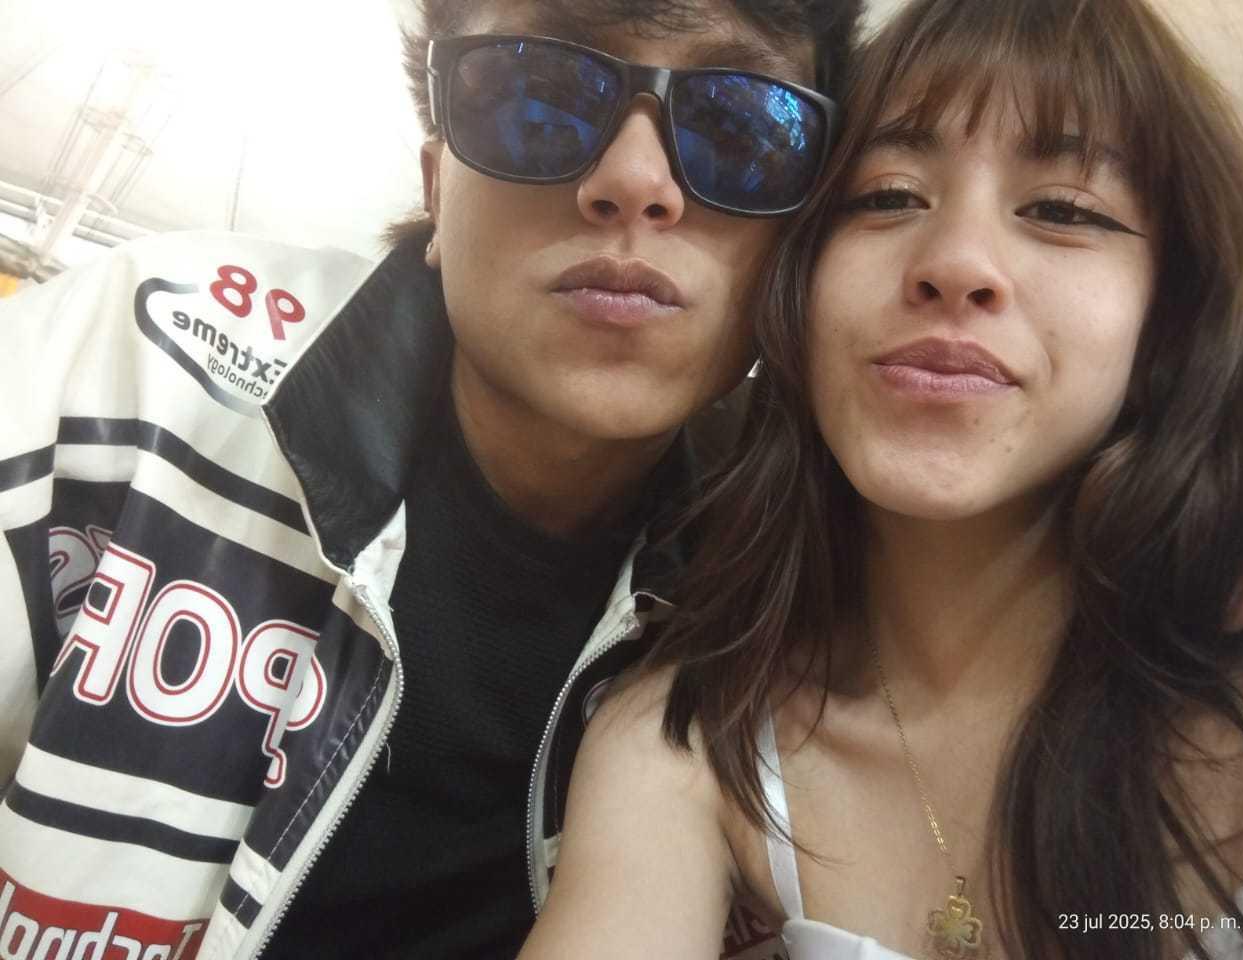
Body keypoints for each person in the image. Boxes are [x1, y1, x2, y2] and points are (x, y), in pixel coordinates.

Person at [0, 2, 859, 957]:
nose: (633, 181)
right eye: (538, 97)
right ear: (437, 185)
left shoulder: (808, 598)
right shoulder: (133, 368)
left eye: (741, 128)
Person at [516, 0, 1243, 957]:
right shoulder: (678, 746)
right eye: (886, 197)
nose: (954, 264)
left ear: (1170, 319)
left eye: (1062, 210)